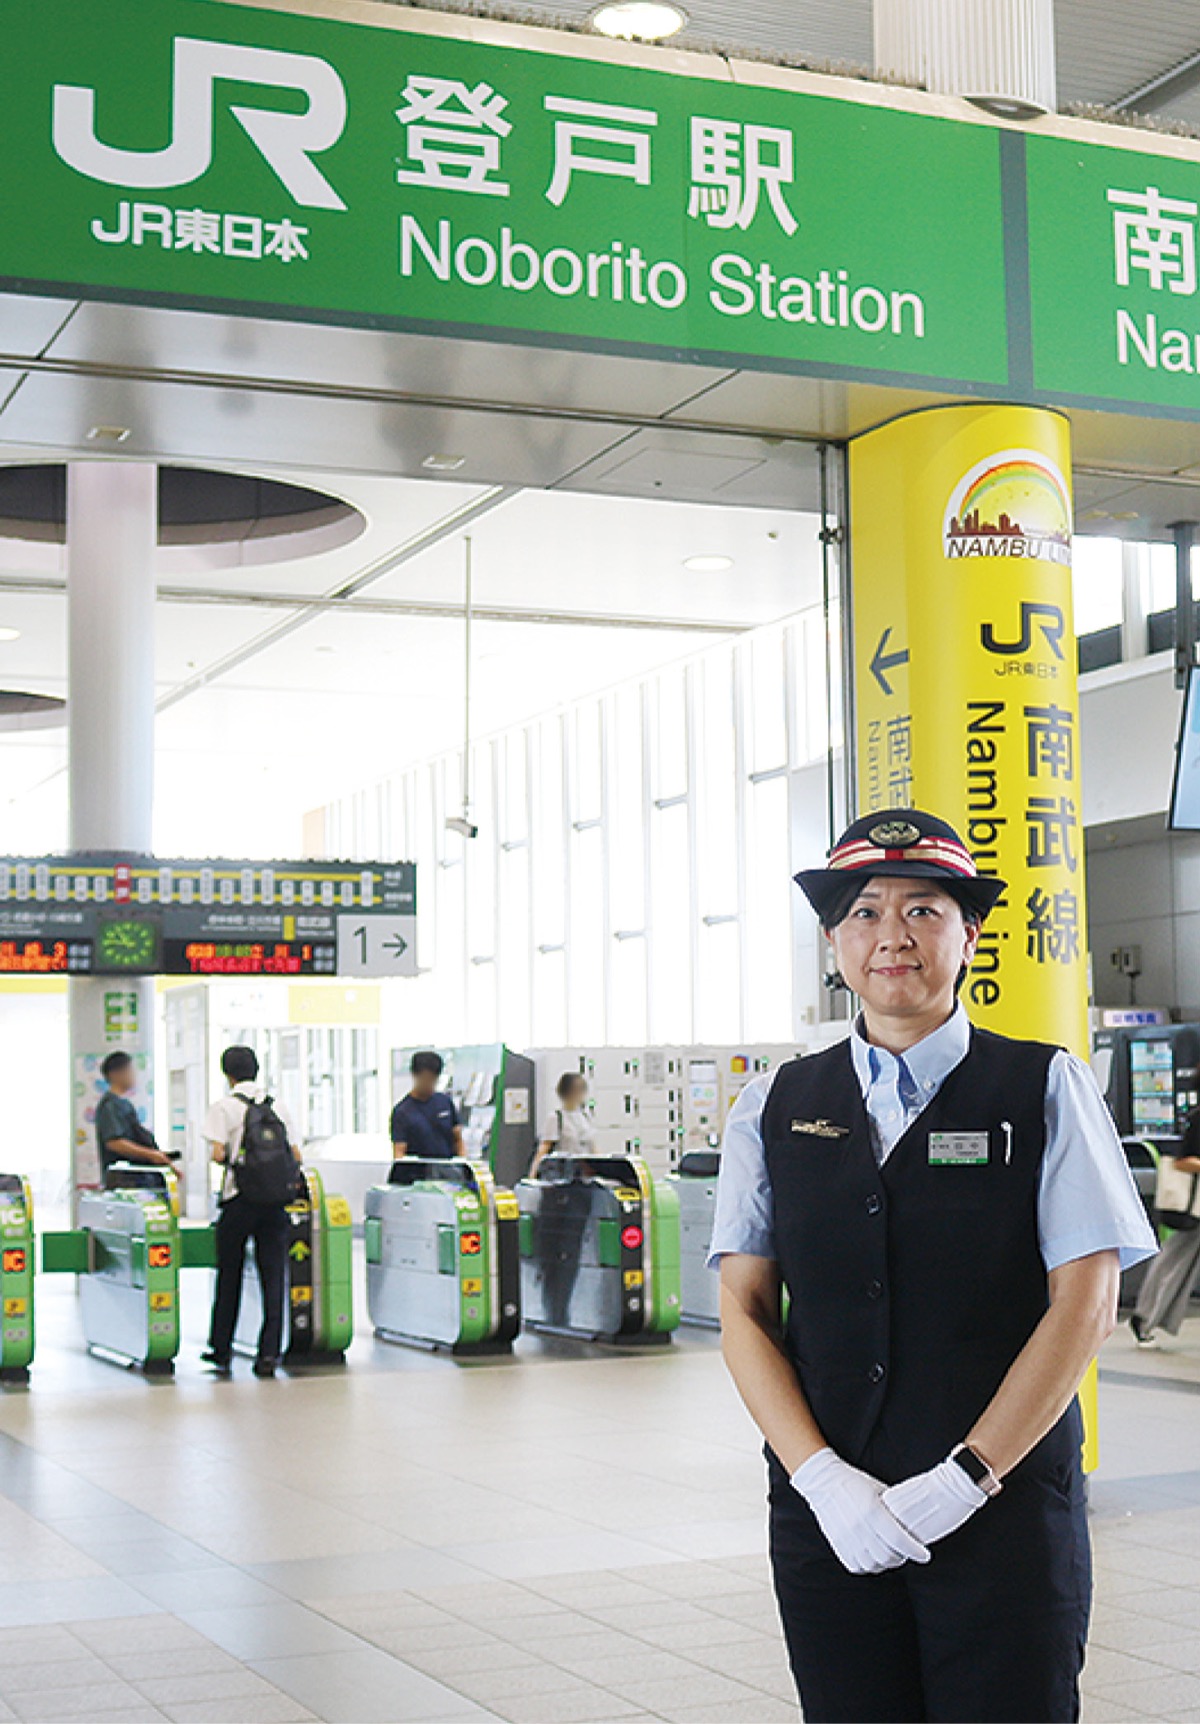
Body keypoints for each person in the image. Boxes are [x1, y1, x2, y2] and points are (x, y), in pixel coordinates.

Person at [711, 808, 1158, 1724]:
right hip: (830, 1519)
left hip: (1003, 1517)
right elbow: (743, 1310)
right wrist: (822, 1481)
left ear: (969, 934)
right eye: (865, 912)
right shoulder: (772, 1105)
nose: (893, 936)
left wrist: (967, 1477)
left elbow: (1085, 1303)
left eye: (923, 910)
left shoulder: (1044, 1087)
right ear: (834, 942)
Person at [202, 1045, 301, 1379]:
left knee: (229, 1274)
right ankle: (269, 1353)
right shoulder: (278, 1107)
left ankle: (222, 1349)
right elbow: (296, 1155)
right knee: (273, 1276)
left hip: (239, 1200)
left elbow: (218, 1154)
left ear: (227, 1073)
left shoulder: (224, 1107)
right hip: (275, 1203)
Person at [1130, 1117, 1200, 1347]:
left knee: (1175, 1259)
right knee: (1174, 1259)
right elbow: (1182, 1161)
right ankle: (1144, 1317)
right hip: (1193, 1205)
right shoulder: (1198, 1120)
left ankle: (1146, 1317)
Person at [94, 1051, 176, 1177]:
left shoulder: (124, 1104)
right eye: (130, 1071)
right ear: (115, 1074)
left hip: (137, 1178)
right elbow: (114, 1143)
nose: (134, 1075)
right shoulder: (110, 1105)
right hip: (123, 1180)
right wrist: (151, 1155)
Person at [390, 1051, 464, 1160]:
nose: (429, 1084)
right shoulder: (402, 1112)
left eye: (433, 1079)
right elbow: (399, 1152)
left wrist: (463, 1162)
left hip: (447, 1166)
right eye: (425, 1079)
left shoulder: (445, 1102)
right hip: (419, 1169)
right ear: (414, 1075)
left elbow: (458, 1139)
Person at [531, 1072, 594, 1174]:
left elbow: (592, 1148)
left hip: (586, 1172)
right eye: (576, 1090)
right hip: (565, 1172)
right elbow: (543, 1150)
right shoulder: (556, 1118)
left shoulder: (584, 1116)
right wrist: (533, 1174)